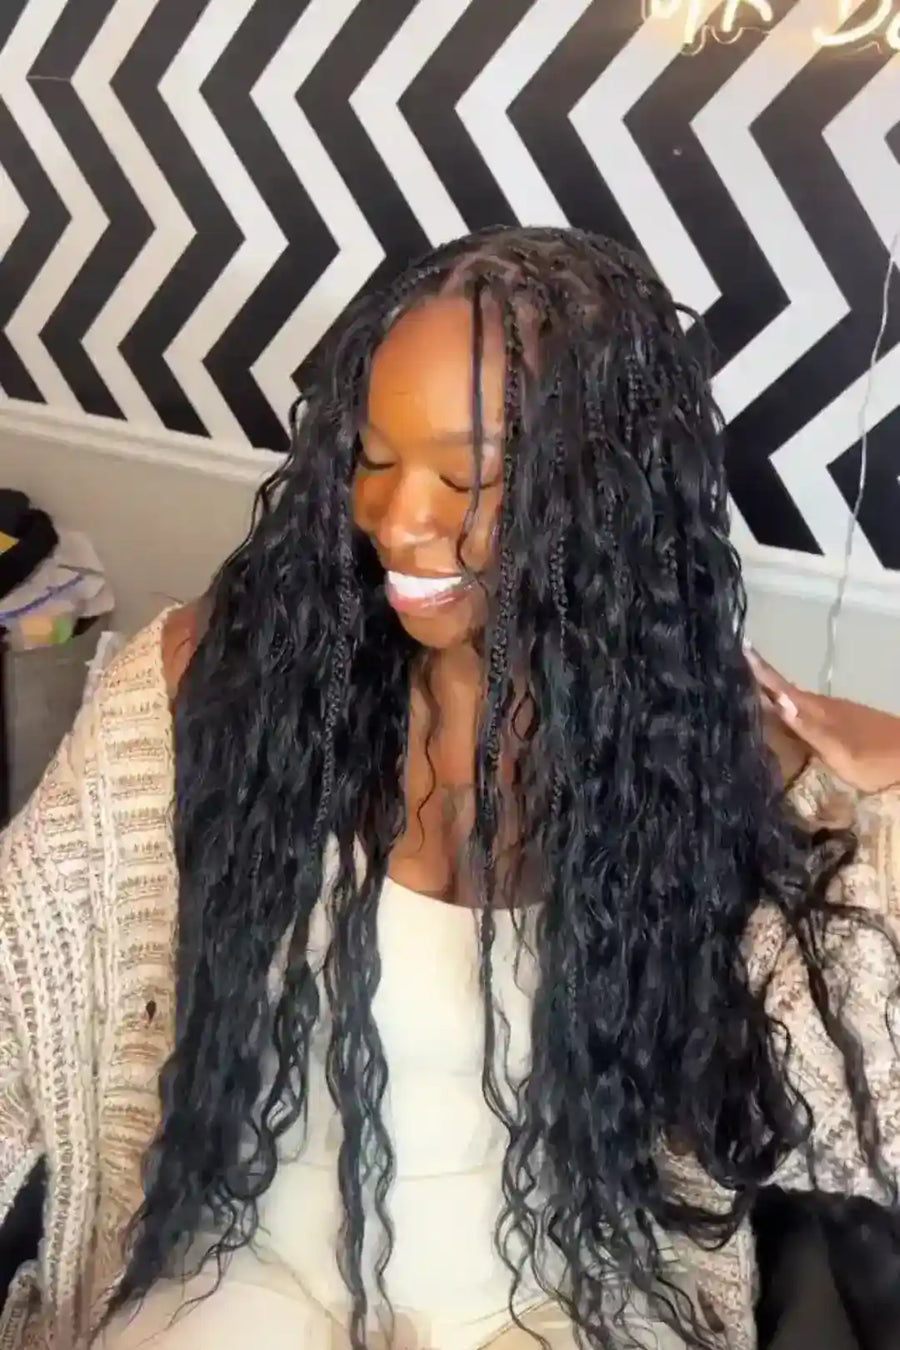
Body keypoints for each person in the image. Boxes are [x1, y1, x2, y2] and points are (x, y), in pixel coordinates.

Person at [0, 226, 898, 1350]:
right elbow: (14, 986)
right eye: (372, 458)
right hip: (244, 1270)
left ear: (604, 493)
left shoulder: (724, 766)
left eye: (463, 476)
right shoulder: (205, 691)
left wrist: (896, 787)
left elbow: (875, 1111)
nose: (397, 520)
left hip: (561, 1301)